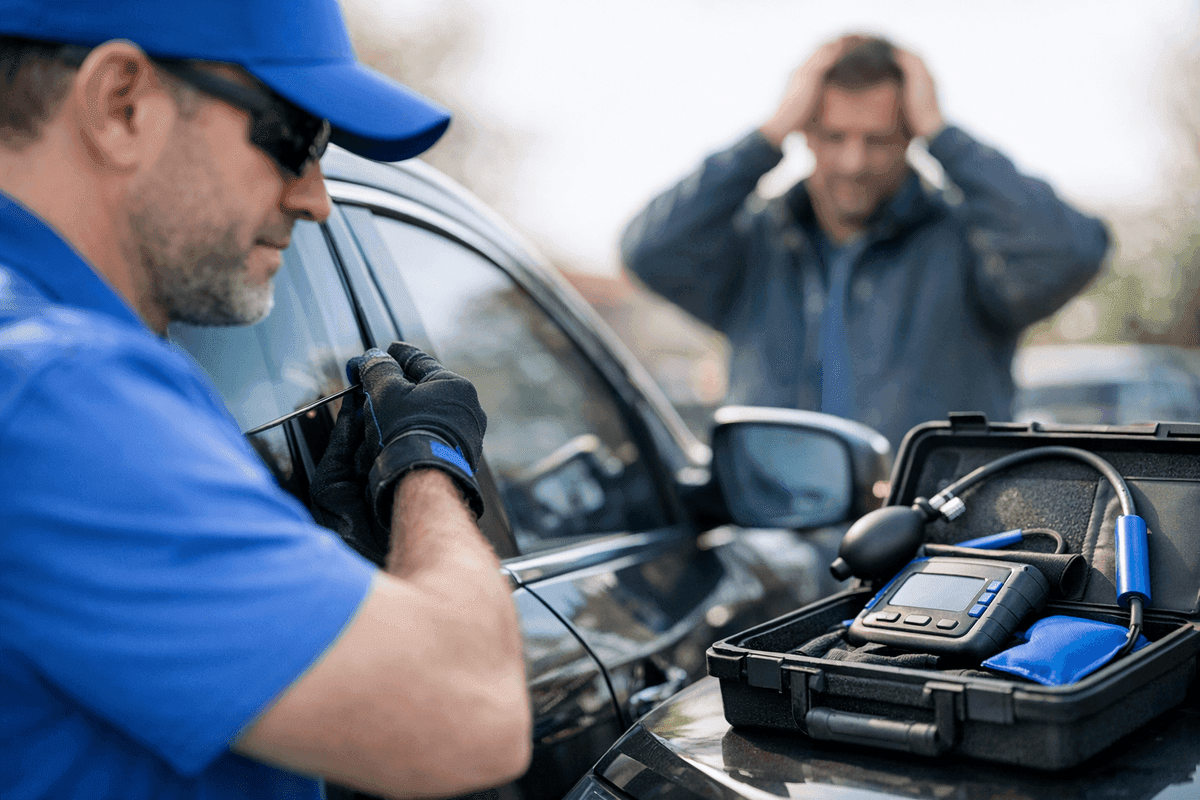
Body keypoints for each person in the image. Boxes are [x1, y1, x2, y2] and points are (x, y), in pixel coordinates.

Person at [0, 2, 531, 798]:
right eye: (296, 140)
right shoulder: (55, 392)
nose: (316, 198)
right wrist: (429, 467)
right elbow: (472, 715)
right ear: (122, 104)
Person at [621, 35, 1110, 448]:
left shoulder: (968, 248)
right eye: (835, 136)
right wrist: (767, 135)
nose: (854, 163)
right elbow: (649, 249)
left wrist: (945, 134)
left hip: (936, 545)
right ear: (805, 133)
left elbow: (1072, 250)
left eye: (877, 139)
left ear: (910, 138)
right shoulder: (757, 249)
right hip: (775, 541)